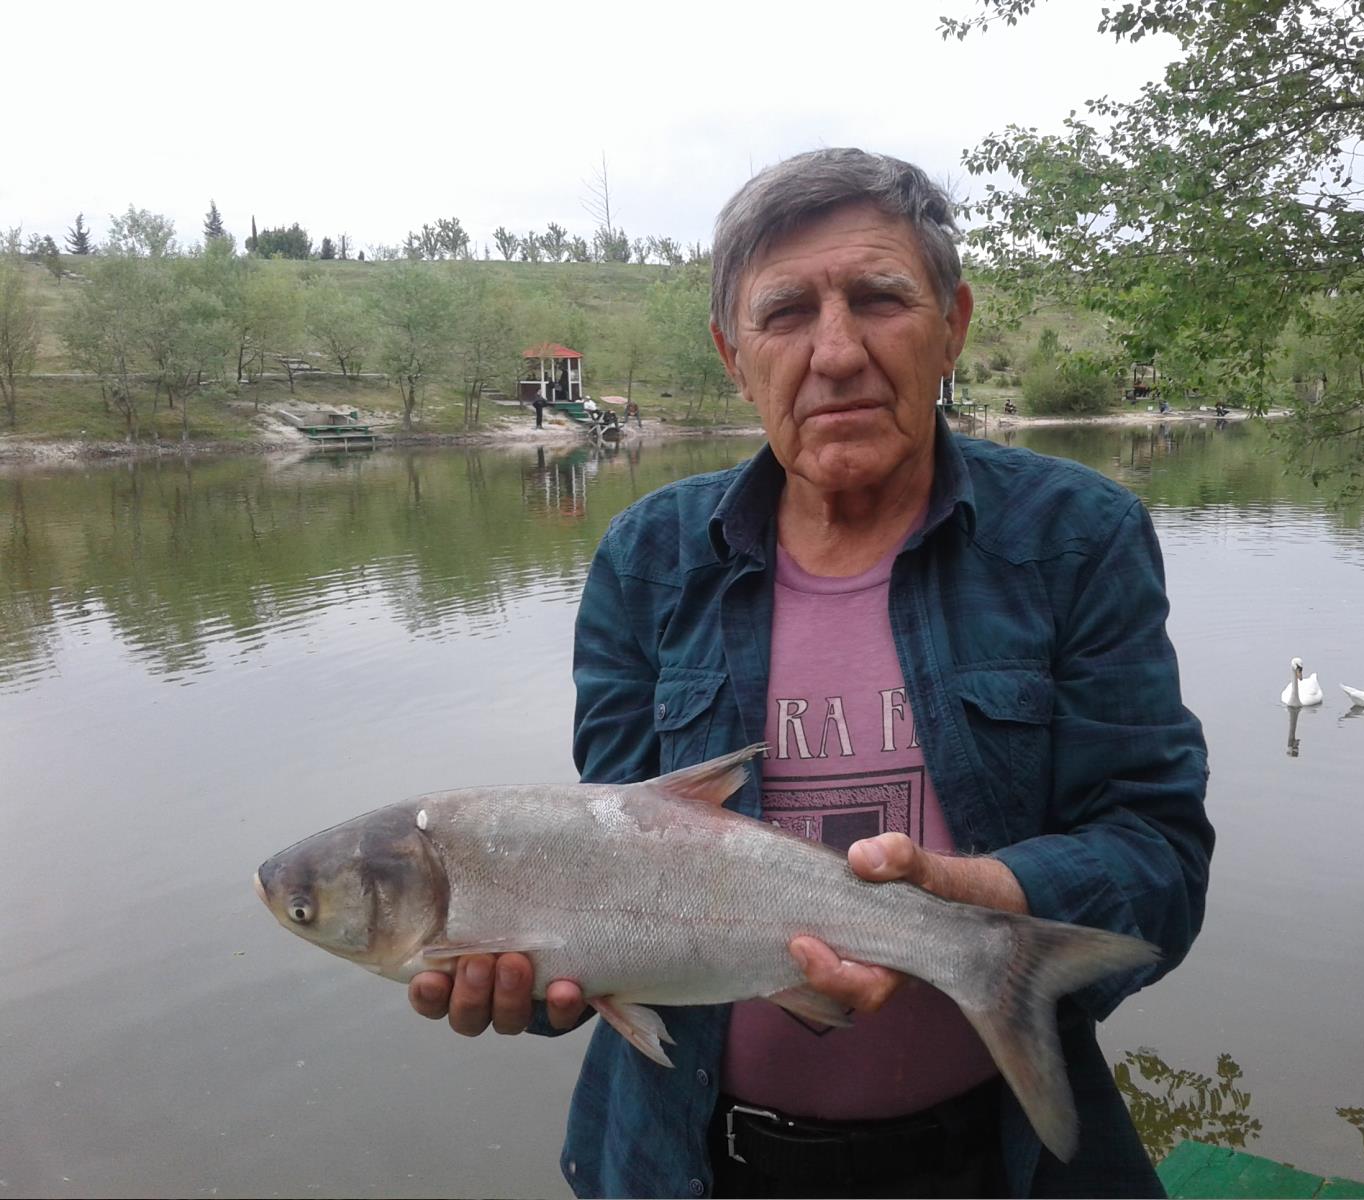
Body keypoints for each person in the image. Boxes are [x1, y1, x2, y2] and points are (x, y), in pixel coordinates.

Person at [408, 148, 1212, 1199]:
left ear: (953, 325)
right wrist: (530, 972)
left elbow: (1158, 859)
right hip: (694, 1161)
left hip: (996, 1163)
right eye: (786, 313)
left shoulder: (1077, 537)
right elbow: (605, 869)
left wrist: (977, 905)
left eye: (879, 298)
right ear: (732, 354)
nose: (836, 352)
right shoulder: (648, 561)